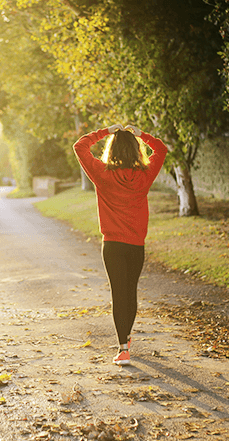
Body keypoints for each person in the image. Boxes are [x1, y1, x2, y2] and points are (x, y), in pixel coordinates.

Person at [73, 124, 168, 366]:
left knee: (119, 294)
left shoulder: (102, 174)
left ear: (111, 150)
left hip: (112, 245)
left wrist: (105, 131)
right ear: (136, 151)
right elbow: (162, 149)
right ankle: (125, 339)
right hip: (136, 245)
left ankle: (123, 348)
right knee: (130, 292)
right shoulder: (145, 176)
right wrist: (141, 134)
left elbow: (80, 146)